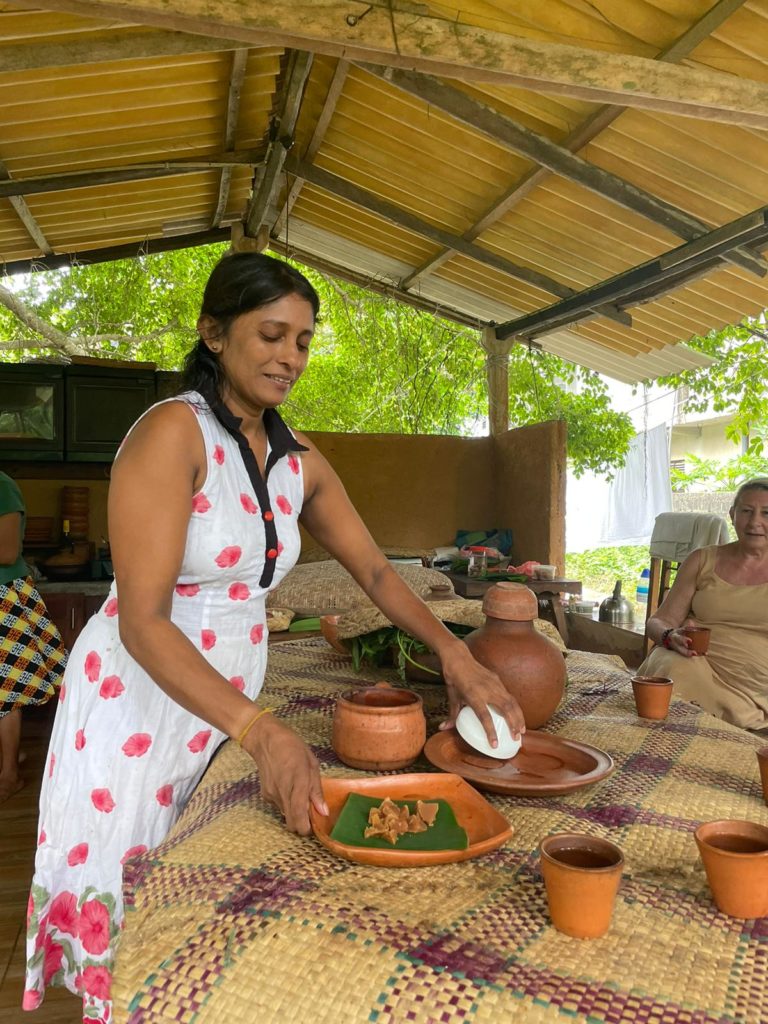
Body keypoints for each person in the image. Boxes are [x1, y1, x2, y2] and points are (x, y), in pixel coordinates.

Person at [23, 252, 525, 1020]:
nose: (290, 356)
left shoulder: (298, 459)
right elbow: (144, 619)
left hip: (226, 700)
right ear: (214, 334)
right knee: (136, 887)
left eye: (303, 340)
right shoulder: (172, 435)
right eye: (271, 334)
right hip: (141, 702)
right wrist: (261, 732)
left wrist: (457, 654)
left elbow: (379, 574)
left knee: (201, 887)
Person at [640, 477, 768, 731]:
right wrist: (670, 636)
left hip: (756, 682)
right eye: (746, 511)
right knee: (673, 669)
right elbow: (658, 621)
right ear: (732, 515)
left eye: (766, 513)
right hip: (694, 661)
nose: (755, 522)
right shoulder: (702, 560)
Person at [0, 471, 66, 803]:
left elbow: (7, 551)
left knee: (5, 694)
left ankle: (9, 775)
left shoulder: (2, 486)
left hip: (4, 598)